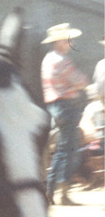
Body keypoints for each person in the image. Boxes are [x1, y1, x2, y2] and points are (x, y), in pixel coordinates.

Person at [41, 23, 89, 205]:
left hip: (55, 106)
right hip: (67, 107)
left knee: (61, 150)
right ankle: (63, 193)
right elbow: (81, 80)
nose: (71, 42)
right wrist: (79, 84)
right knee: (70, 150)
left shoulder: (47, 59)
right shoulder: (63, 60)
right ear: (60, 41)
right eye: (69, 39)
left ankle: (50, 191)